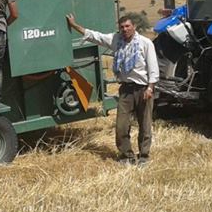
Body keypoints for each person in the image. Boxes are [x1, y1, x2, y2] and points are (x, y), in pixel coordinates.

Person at [65, 13, 159, 164]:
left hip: (143, 89)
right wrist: (74, 25)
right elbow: (95, 36)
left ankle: (144, 156)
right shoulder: (116, 40)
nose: (125, 29)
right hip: (126, 90)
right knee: (121, 126)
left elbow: (153, 67)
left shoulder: (145, 43)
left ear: (134, 26)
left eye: (127, 26)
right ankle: (126, 156)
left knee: (145, 125)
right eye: (122, 27)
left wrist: (150, 88)